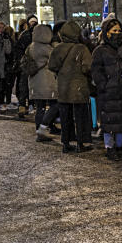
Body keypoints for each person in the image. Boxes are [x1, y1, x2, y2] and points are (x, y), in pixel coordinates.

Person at [91, 18, 122, 161]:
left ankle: (120, 147)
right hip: (108, 93)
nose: (117, 33)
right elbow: (96, 70)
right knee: (109, 122)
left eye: (119, 31)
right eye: (114, 31)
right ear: (107, 33)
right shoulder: (100, 50)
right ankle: (109, 148)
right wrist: (105, 85)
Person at [48, 21, 93, 154]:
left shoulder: (58, 48)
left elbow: (52, 66)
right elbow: (87, 67)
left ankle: (66, 143)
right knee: (80, 116)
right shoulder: (82, 48)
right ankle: (80, 142)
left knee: (65, 117)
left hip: (63, 87)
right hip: (79, 87)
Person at [24, 24, 59, 142]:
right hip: (46, 80)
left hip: (34, 80)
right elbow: (56, 59)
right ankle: (43, 127)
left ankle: (39, 131)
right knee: (55, 104)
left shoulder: (31, 46)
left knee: (40, 107)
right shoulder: (47, 48)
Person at [13, 15, 39, 117]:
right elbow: (18, 49)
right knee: (25, 85)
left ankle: (28, 105)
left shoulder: (27, 34)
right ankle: (24, 105)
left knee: (28, 85)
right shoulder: (26, 35)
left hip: (31, 63)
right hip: (27, 63)